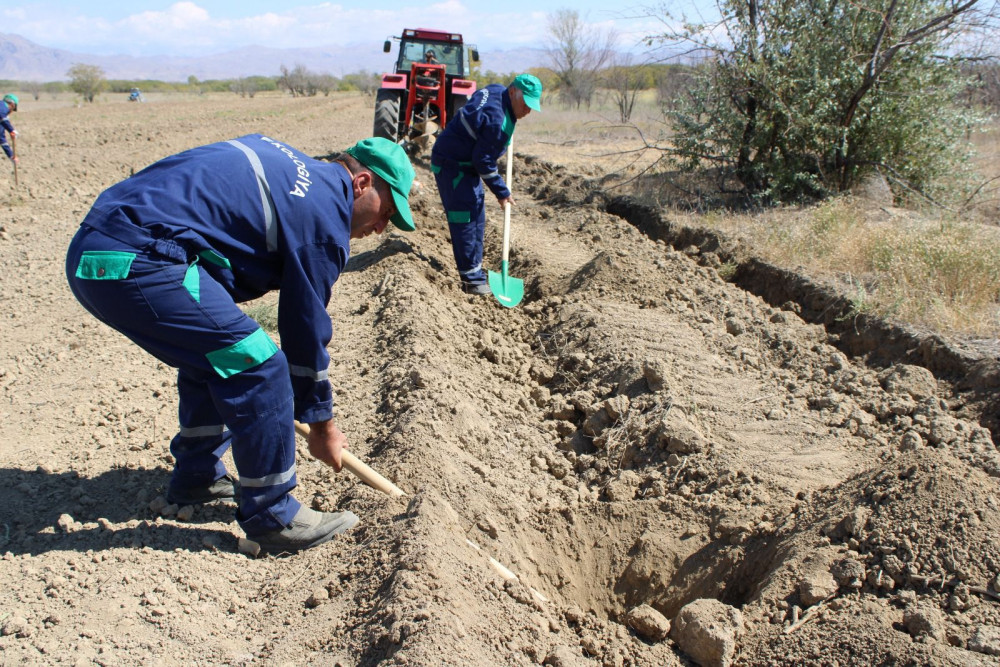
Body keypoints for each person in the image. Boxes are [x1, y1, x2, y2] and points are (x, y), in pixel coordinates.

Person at [65, 135, 415, 554]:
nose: (379, 229)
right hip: (134, 259)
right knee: (259, 365)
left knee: (218, 353)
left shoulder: (292, 165)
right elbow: (304, 329)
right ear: (360, 184)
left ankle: (198, 476)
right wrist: (322, 425)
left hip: (96, 249)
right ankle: (273, 515)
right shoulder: (324, 218)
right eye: (386, 213)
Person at [430, 74, 541, 295]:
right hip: (453, 165)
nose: (528, 110)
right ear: (512, 92)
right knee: (465, 218)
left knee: (477, 215)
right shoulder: (497, 123)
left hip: (464, 162)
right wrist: (502, 191)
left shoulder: (496, 90)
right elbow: (484, 161)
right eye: (525, 103)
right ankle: (472, 281)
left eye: (532, 105)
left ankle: (476, 271)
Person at [1, 94, 19, 166]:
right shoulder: (2, 105)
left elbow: (2, 139)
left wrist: (11, 156)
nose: (11, 111)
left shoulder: (1, 120)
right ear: (12, 104)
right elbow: (2, 115)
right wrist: (11, 130)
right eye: (13, 109)